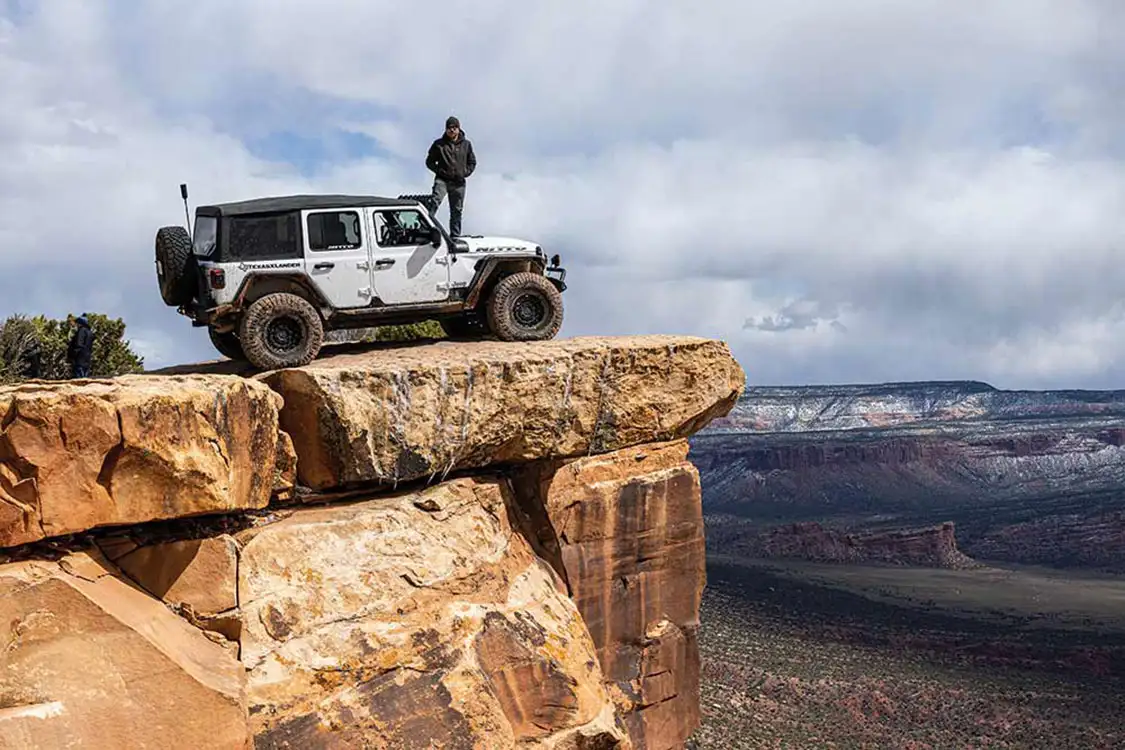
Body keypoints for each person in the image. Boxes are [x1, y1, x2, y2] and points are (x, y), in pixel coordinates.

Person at [424, 116, 476, 237]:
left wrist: (464, 172)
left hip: (459, 182)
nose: (452, 130)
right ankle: (427, 229)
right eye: (449, 128)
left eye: (454, 127)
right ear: (446, 129)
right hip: (442, 180)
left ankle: (455, 236)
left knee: (457, 210)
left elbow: (472, 162)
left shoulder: (466, 145)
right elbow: (429, 162)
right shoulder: (438, 144)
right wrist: (440, 171)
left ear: (459, 128)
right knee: (434, 203)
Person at [66, 314, 94, 378]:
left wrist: (73, 355)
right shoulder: (90, 333)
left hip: (79, 358)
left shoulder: (81, 331)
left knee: (78, 377)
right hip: (87, 358)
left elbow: (79, 344)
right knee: (85, 376)